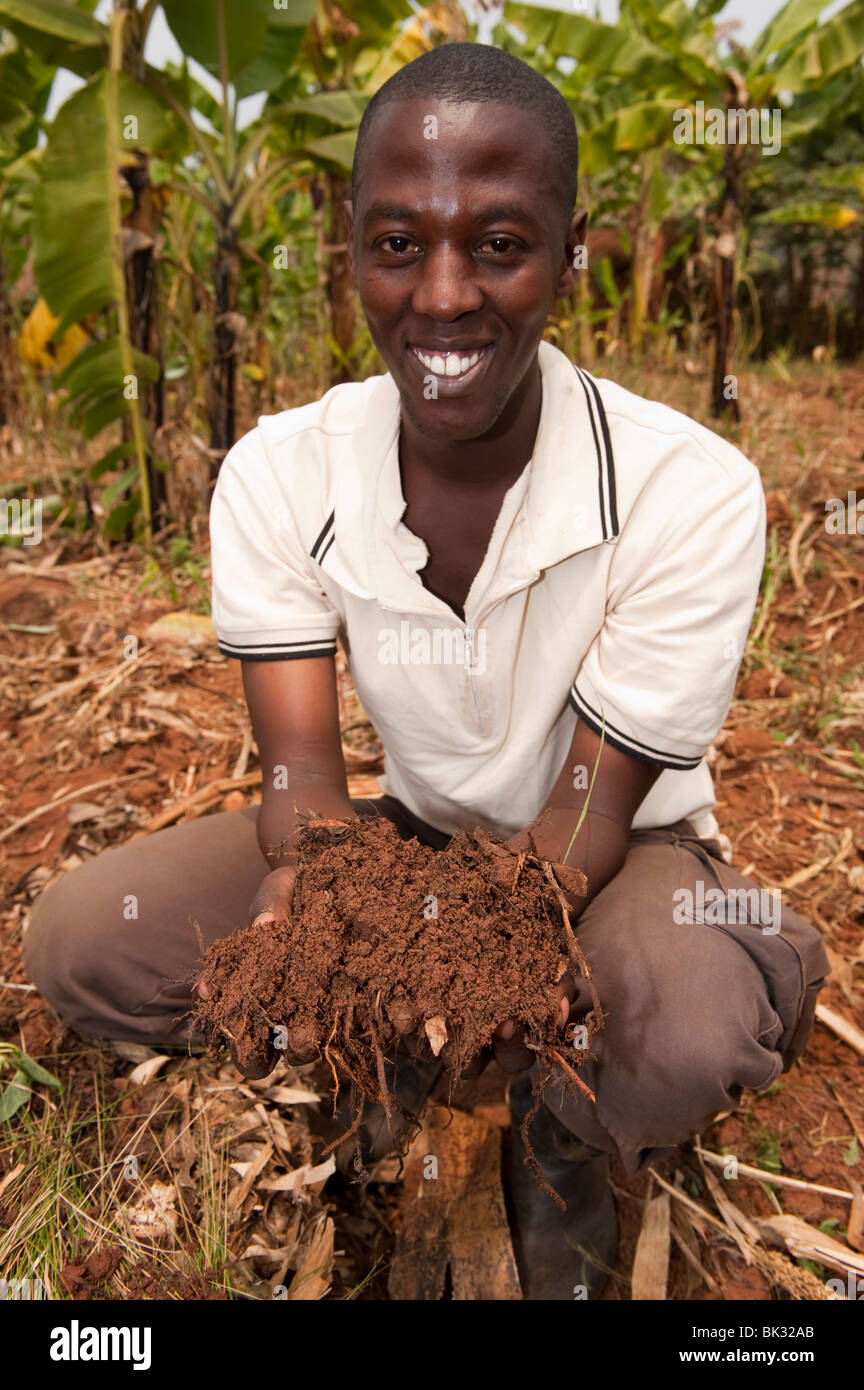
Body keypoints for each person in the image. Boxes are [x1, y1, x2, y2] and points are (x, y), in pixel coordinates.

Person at [23, 43, 828, 1300]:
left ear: (570, 256)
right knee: (83, 940)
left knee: (676, 1025)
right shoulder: (284, 471)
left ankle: (583, 1110)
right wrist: (315, 919)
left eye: (498, 244)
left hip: (605, 855)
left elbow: (579, 822)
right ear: (351, 251)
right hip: (403, 839)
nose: (442, 297)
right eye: (399, 245)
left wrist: (437, 972)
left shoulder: (688, 488)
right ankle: (401, 1064)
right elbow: (303, 790)